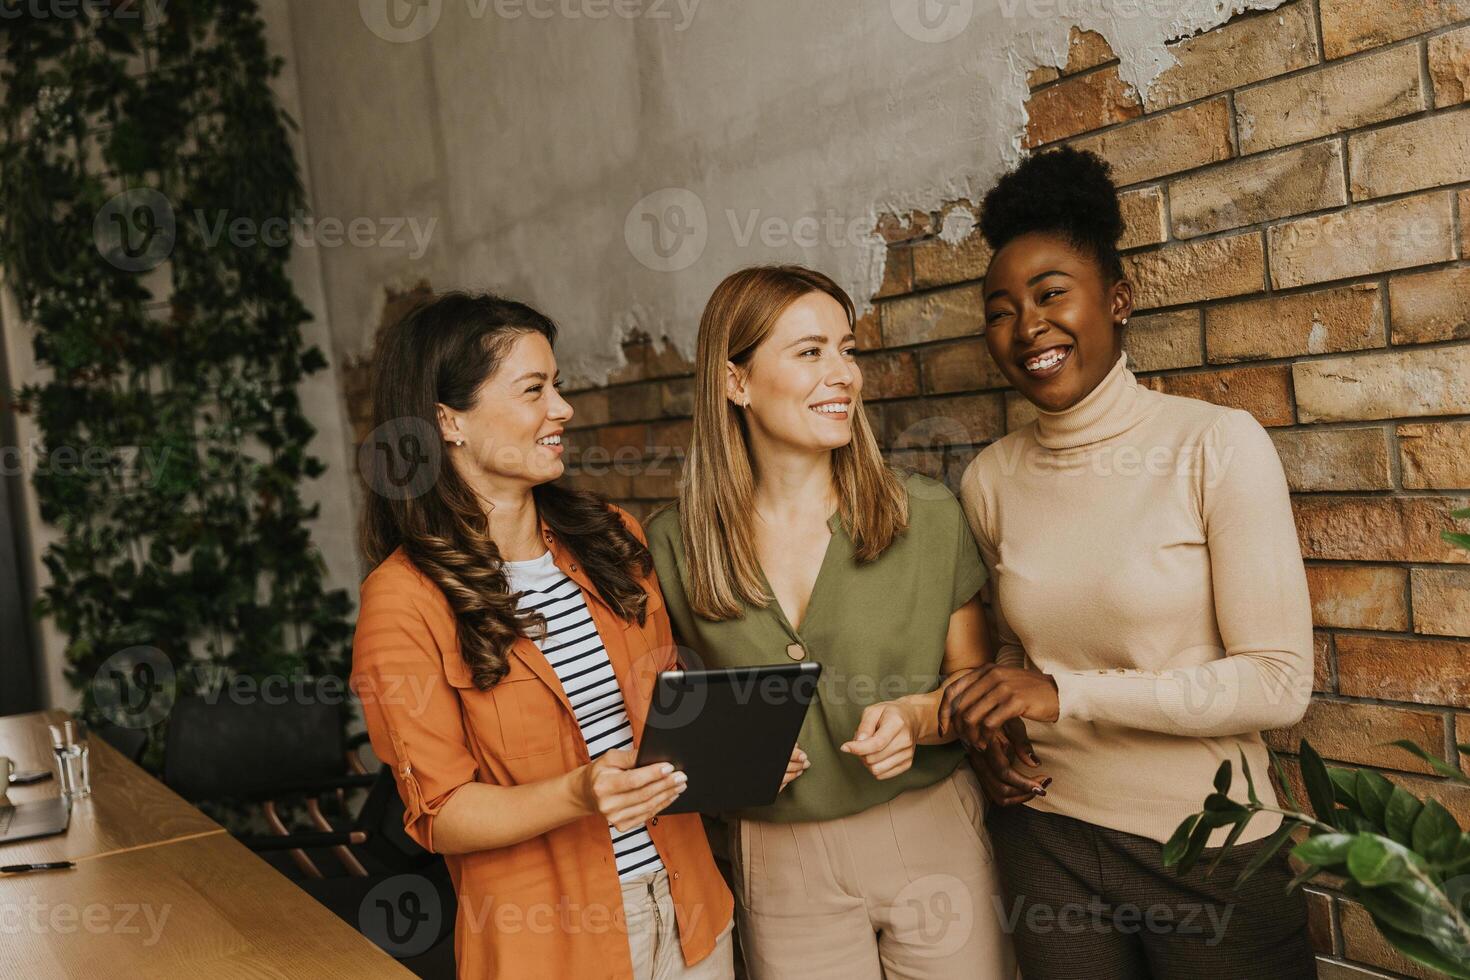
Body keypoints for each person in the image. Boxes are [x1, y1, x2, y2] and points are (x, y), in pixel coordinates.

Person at [945, 147, 1316, 979]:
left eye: (1050, 295)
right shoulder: (991, 478)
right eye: (1001, 310)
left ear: (1117, 299)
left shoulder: (1214, 445)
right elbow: (1021, 657)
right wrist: (997, 726)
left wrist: (1061, 694)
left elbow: (1279, 681)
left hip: (1213, 847)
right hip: (1048, 836)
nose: (1027, 327)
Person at [350, 292, 739, 979]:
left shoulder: (613, 538)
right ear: (448, 422)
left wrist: (738, 751)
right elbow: (440, 813)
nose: (562, 408)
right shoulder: (403, 599)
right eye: (534, 389)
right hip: (551, 947)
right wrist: (577, 794)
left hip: (692, 911)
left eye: (556, 386)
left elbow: (664, 712)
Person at [646, 265, 1019, 980]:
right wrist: (730, 756)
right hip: (780, 859)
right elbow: (665, 709)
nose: (843, 374)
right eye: (811, 352)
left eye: (848, 350)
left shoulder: (924, 515)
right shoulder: (673, 544)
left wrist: (918, 718)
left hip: (928, 834)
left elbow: (976, 682)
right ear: (736, 382)